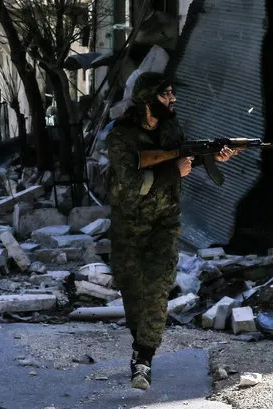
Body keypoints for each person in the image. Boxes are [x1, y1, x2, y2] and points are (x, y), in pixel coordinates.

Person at [106, 72, 238, 390]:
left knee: (157, 288)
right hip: (128, 226)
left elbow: (185, 155)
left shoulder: (171, 129)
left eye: (172, 93)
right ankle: (141, 344)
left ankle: (144, 358)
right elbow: (130, 187)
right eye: (166, 95)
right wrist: (171, 171)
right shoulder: (121, 137)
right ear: (148, 100)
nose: (172, 99)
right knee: (133, 294)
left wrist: (214, 155)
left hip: (164, 224)